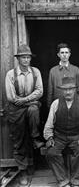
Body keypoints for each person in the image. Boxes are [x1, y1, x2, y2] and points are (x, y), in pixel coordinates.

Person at [5, 45, 44, 186]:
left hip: (28, 107)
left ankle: (35, 138)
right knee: (20, 141)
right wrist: (28, 100)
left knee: (34, 110)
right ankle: (23, 171)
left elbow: (39, 91)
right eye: (23, 57)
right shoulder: (10, 74)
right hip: (15, 110)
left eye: (28, 57)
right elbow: (11, 97)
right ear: (18, 59)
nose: (26, 60)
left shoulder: (35, 72)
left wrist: (25, 100)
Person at [44, 76, 79, 187]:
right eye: (65, 89)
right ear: (62, 91)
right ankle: (63, 181)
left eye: (70, 89)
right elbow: (49, 124)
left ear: (75, 90)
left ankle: (76, 181)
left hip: (76, 137)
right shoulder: (55, 103)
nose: (68, 92)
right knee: (51, 153)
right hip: (59, 137)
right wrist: (49, 138)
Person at [47, 43, 79, 108]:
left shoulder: (76, 69)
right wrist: (50, 106)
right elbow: (50, 91)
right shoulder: (53, 71)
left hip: (73, 105)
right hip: (57, 105)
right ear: (58, 55)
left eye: (66, 52)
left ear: (69, 54)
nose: (64, 55)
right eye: (62, 53)